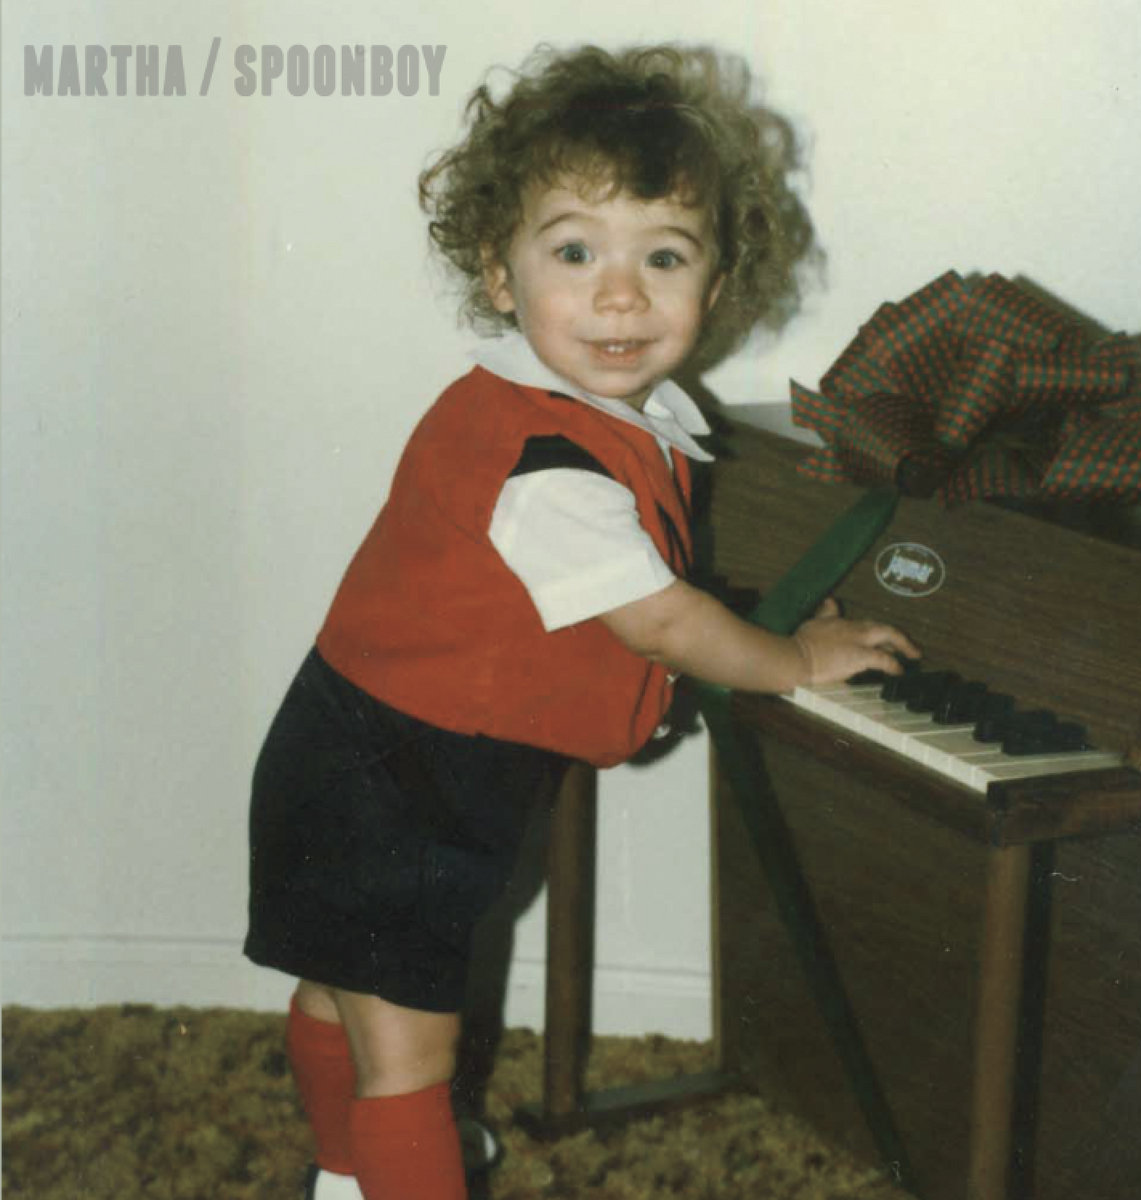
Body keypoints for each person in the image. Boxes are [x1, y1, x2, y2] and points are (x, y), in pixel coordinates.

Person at [244, 43, 919, 1200]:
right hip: (402, 787)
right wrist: (794, 658)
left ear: (716, 285)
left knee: (340, 989)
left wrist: (751, 616)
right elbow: (660, 623)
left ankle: (345, 1177)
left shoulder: (569, 415)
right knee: (408, 1060)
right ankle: (376, 1170)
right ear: (500, 275)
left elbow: (614, 592)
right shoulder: (547, 460)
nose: (620, 294)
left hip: (354, 753)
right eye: (575, 251)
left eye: (664, 255)